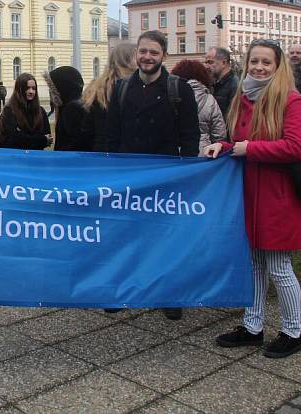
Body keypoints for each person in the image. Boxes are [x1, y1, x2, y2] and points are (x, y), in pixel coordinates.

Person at [206, 39, 301, 359]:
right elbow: (237, 142)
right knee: (253, 264)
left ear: (278, 66)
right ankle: (253, 327)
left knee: (279, 266)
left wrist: (247, 148)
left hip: (279, 196)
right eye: (254, 61)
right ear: (246, 63)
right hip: (250, 194)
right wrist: (222, 148)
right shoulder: (244, 97)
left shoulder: (290, 99)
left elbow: (297, 147)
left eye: (266, 62)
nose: (259, 67)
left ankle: (293, 332)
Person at [105, 31, 200, 321]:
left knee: (165, 236)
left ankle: (169, 293)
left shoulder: (179, 89)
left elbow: (190, 134)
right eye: (143, 51)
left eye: (154, 52)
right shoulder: (121, 88)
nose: (147, 57)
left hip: (165, 177)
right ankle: (123, 291)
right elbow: (111, 134)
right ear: (136, 55)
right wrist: (110, 172)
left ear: (164, 56)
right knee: (127, 235)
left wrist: (186, 171)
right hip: (128, 177)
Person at [80, 43, 137, 152]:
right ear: (127, 60)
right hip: (125, 152)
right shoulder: (130, 86)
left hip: (100, 150)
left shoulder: (96, 87)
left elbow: (87, 129)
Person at [171, 59, 227, 153]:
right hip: (204, 153)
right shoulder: (210, 100)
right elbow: (219, 134)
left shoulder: (171, 97)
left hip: (176, 153)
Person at [0, 73, 52, 149]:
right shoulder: (9, 111)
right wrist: (40, 139)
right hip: (16, 158)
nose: (31, 91)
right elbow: (12, 139)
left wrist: (25, 137)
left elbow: (48, 138)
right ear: (19, 89)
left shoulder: (40, 111)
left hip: (36, 157)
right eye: (27, 88)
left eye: (34, 88)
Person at [44, 66, 87, 151]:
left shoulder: (72, 108)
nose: (50, 92)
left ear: (62, 86)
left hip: (70, 161)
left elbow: (75, 142)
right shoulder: (71, 104)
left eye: (52, 88)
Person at [205, 47, 239, 117]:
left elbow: (234, 116)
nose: (207, 66)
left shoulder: (234, 84)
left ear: (223, 63)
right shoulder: (212, 83)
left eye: (210, 62)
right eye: (206, 62)